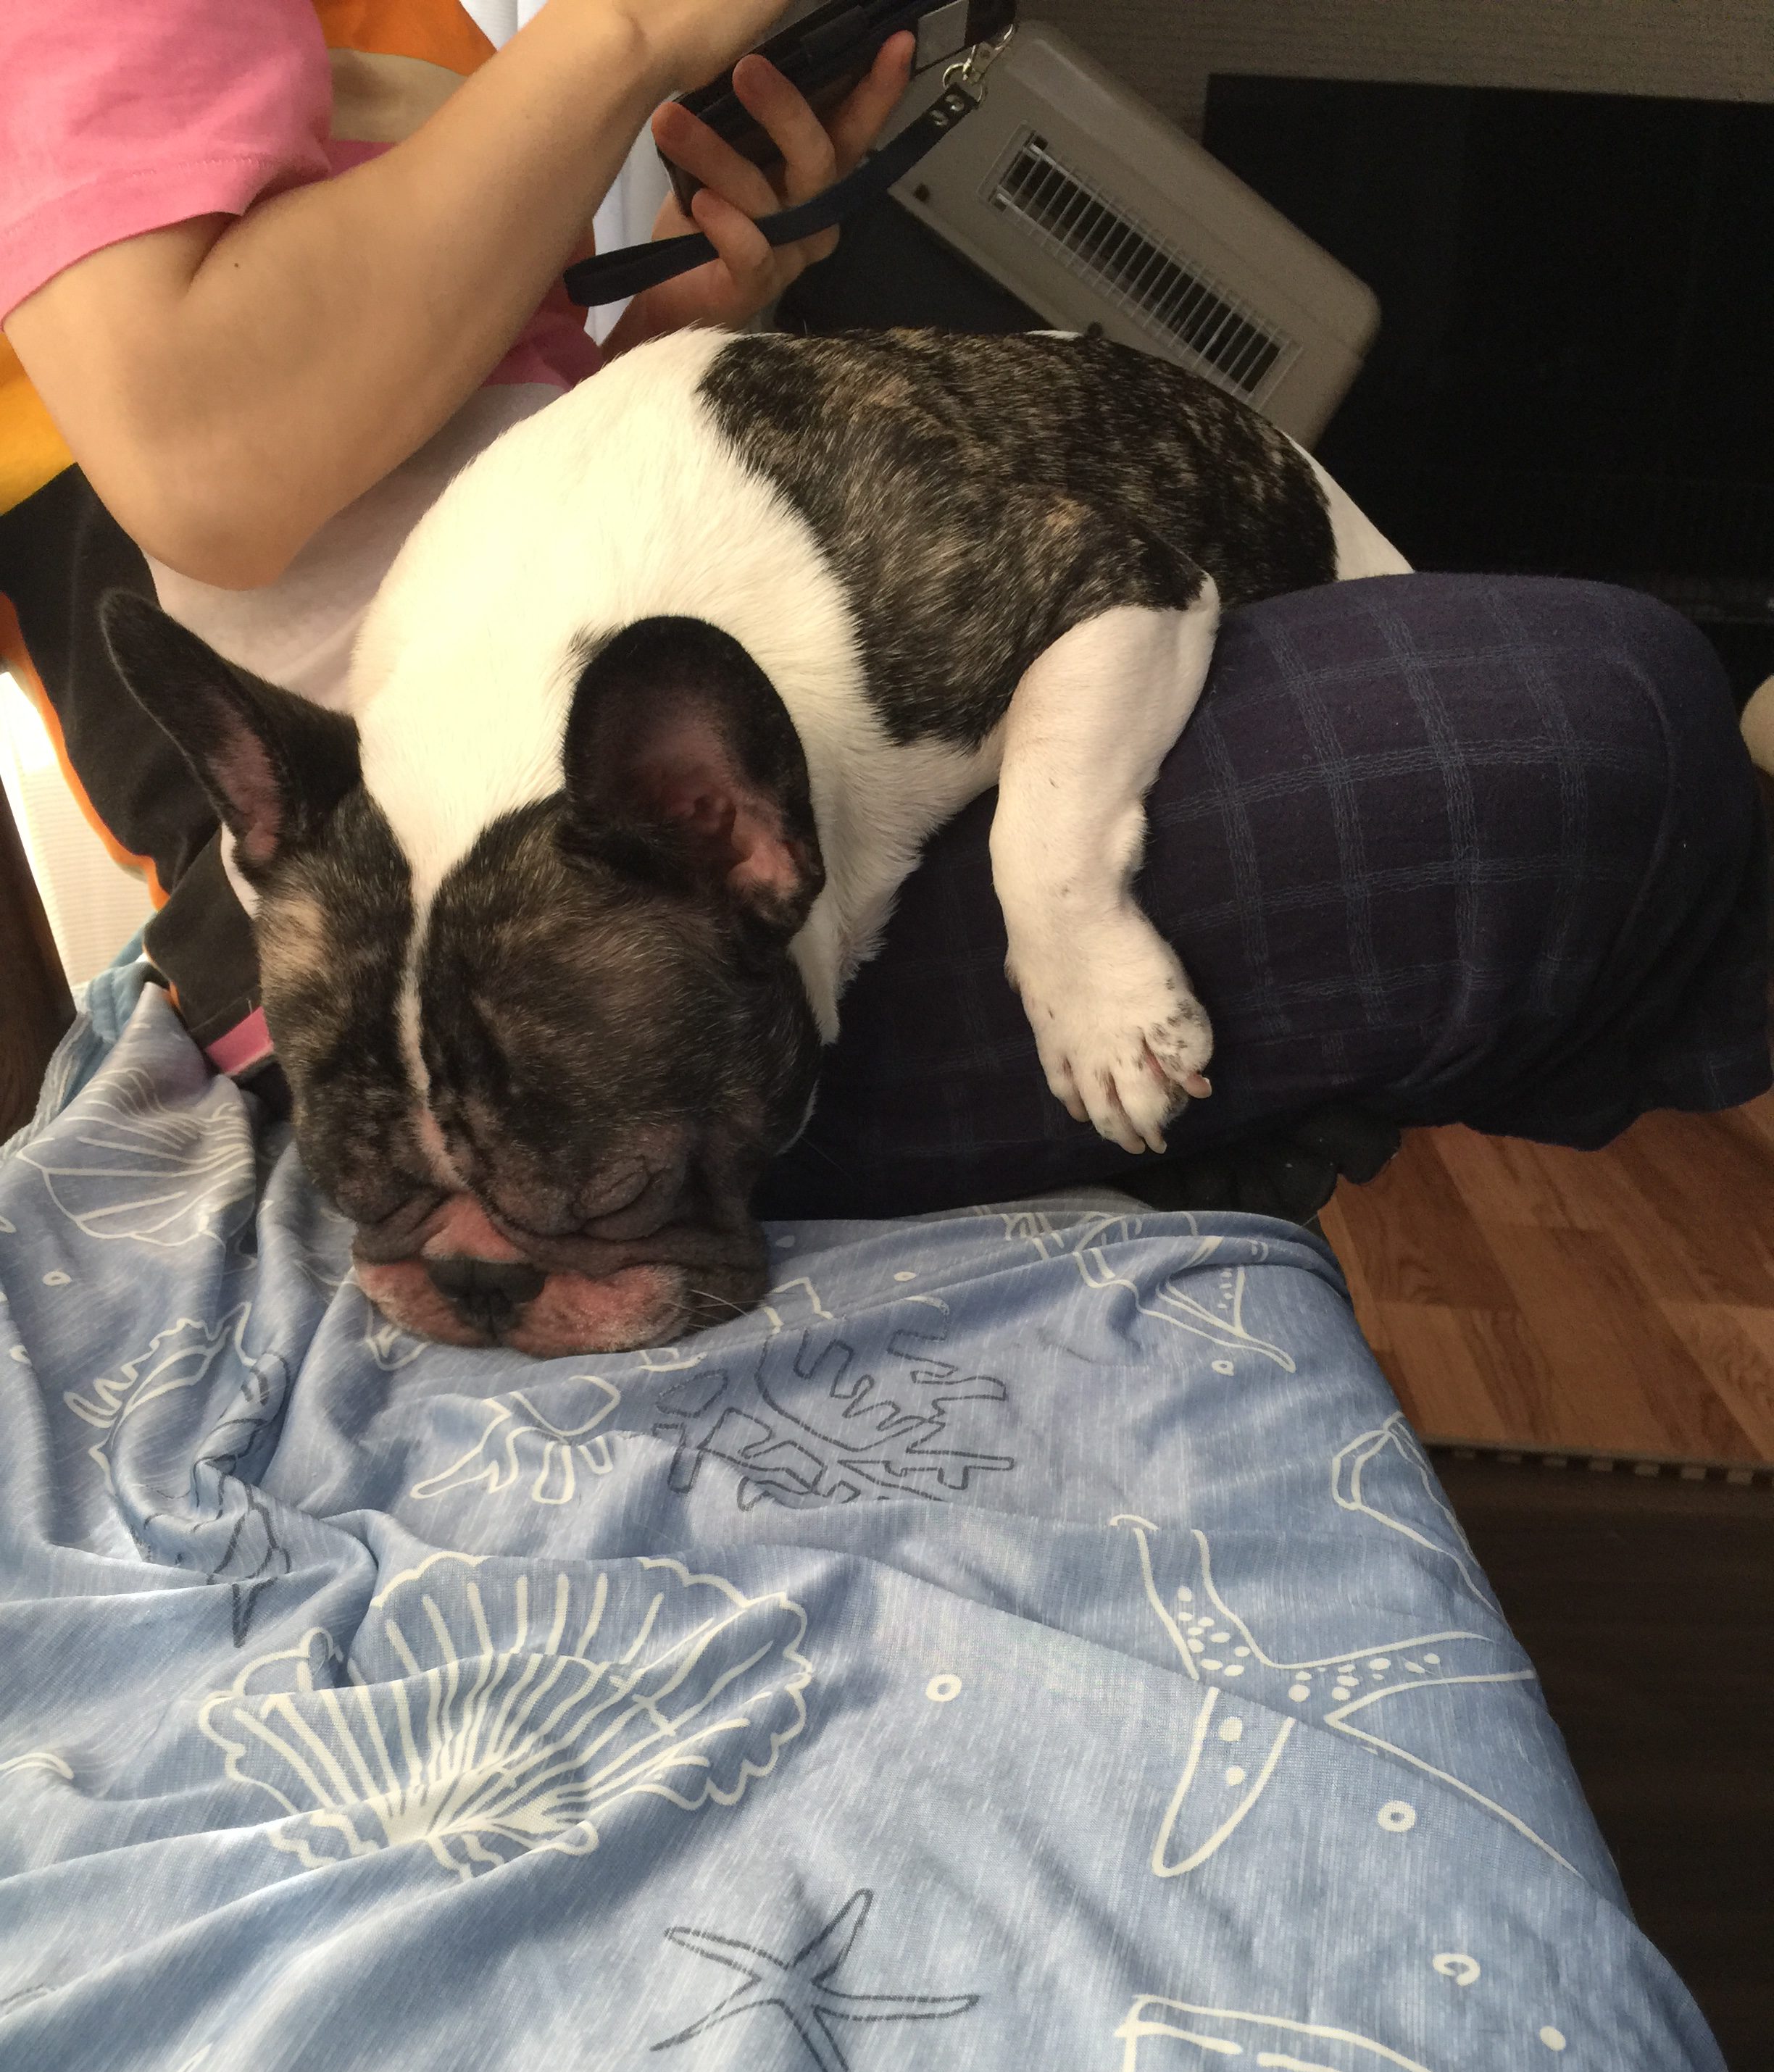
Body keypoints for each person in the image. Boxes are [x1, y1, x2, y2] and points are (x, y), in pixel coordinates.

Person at [2, 0, 1767, 1224]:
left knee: (1553, 714)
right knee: (1585, 722)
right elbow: (202, 455)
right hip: (477, 1017)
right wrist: (628, 36)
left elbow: (401, 498)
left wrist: (694, 323)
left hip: (645, 838)